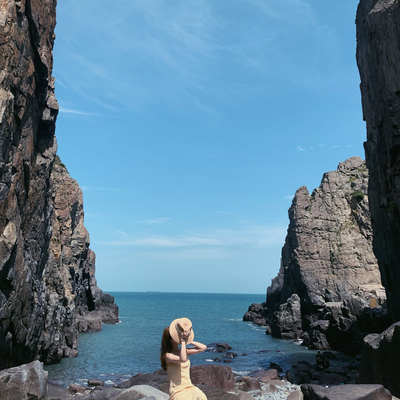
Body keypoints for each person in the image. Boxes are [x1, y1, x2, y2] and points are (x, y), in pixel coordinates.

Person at [160, 317, 207, 400]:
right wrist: (182, 341)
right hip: (178, 391)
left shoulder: (184, 351)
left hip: (189, 387)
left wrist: (188, 339)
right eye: (176, 336)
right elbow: (183, 359)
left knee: (202, 397)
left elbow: (203, 347)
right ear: (170, 340)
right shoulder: (167, 356)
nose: (178, 337)